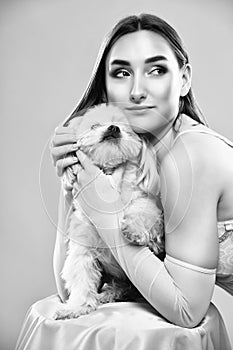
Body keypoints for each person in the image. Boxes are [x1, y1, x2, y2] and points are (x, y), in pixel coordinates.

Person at [16, 13, 233, 350]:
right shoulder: (138, 156)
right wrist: (71, 188)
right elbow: (71, 293)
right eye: (121, 73)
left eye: (157, 70)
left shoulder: (192, 155)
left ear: (185, 79)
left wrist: (107, 215)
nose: (136, 91)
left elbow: (187, 311)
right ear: (106, 87)